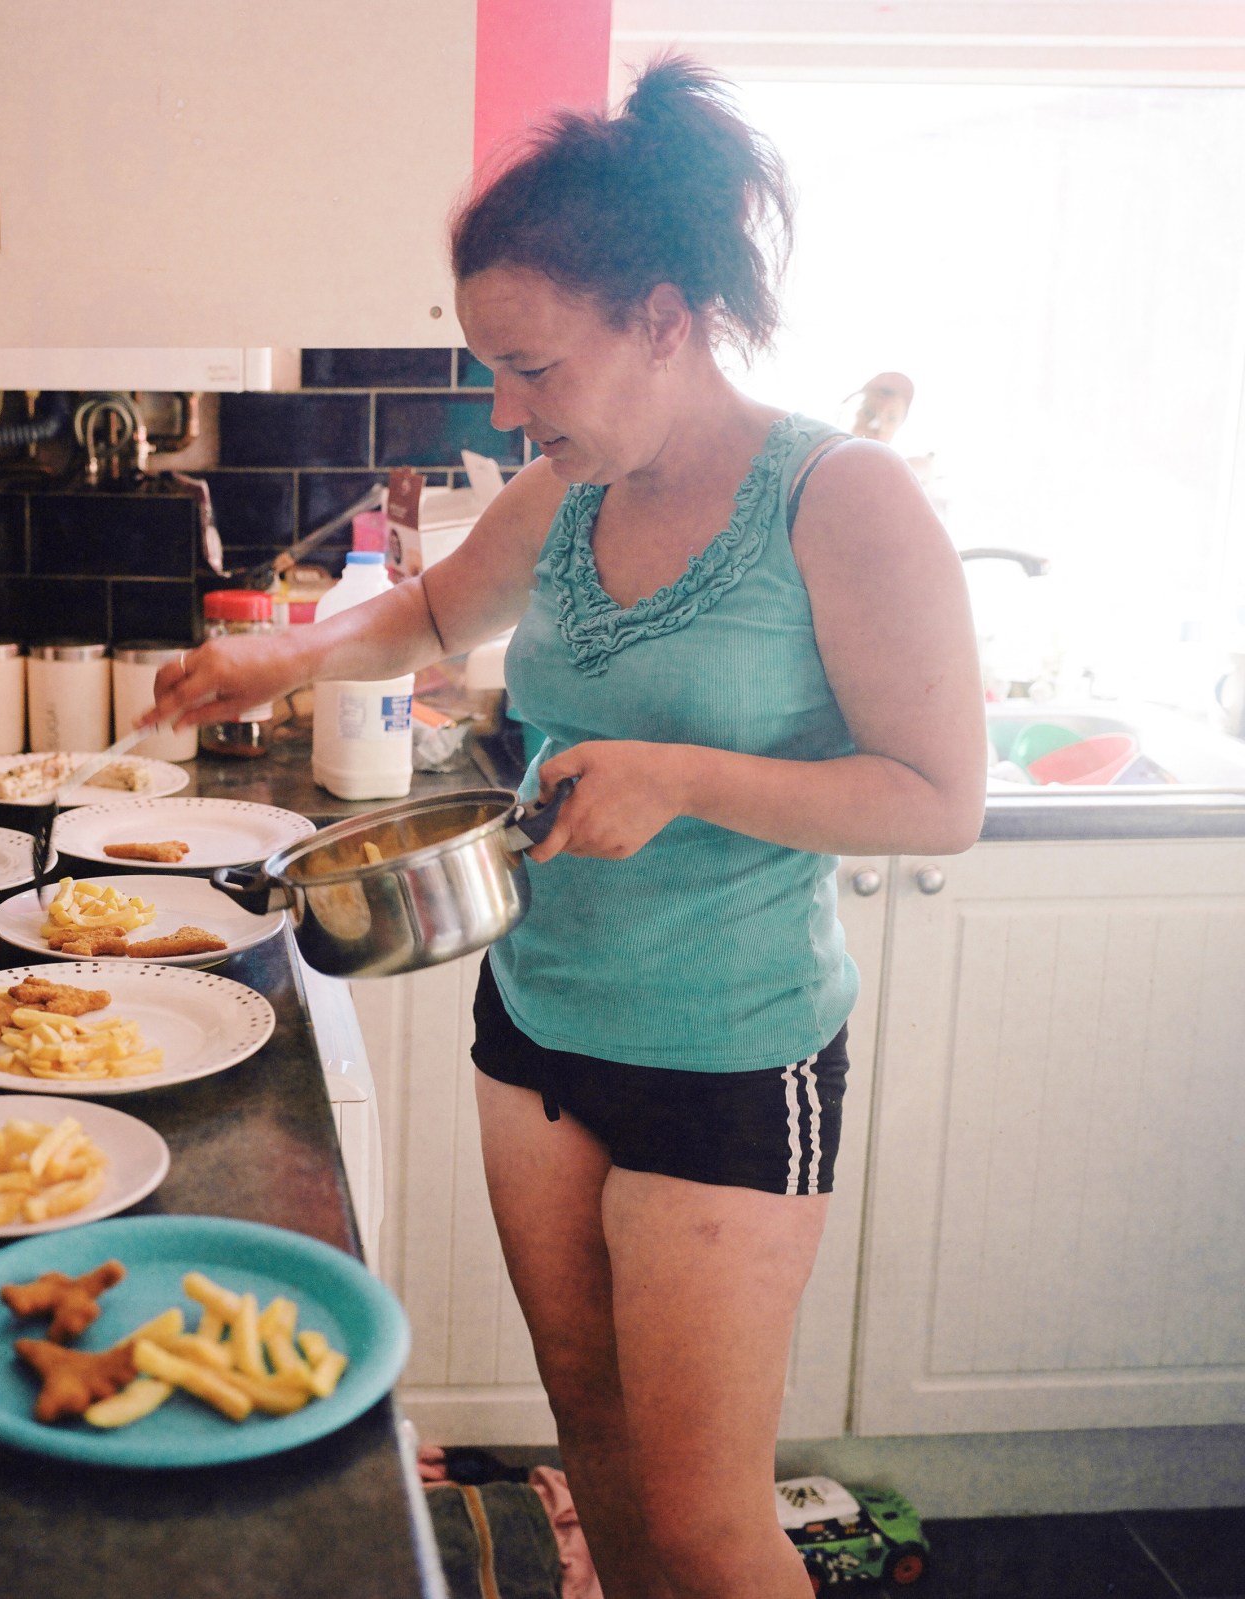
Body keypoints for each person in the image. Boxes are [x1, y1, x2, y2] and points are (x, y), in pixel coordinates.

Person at [145, 55, 985, 1599]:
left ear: (662, 320)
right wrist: (269, 658)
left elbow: (944, 798)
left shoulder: (838, 498)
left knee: (712, 1527)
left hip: (730, 1054)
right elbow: (424, 619)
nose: (503, 404)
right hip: (536, 1028)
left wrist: (683, 777)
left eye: (530, 367)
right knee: (595, 1457)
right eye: (492, 367)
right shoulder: (568, 494)